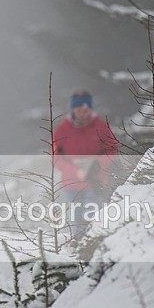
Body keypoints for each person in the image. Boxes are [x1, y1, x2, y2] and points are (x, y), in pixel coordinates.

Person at [51, 90, 118, 237]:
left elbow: (112, 148)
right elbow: (56, 156)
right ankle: (78, 247)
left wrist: (98, 164)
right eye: (80, 110)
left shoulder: (100, 125)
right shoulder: (62, 129)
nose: (83, 113)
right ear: (73, 109)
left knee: (95, 216)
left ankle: (97, 244)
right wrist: (75, 171)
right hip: (71, 183)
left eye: (87, 110)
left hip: (95, 180)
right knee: (77, 220)